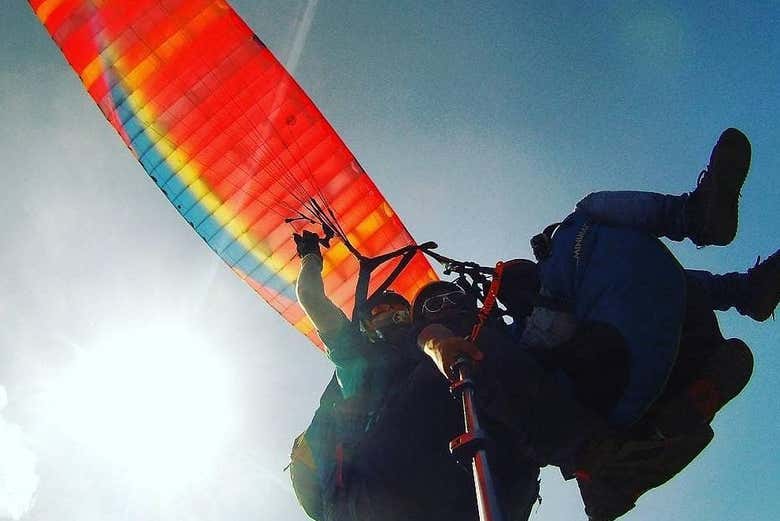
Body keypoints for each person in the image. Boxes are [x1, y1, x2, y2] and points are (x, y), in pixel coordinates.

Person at [414, 128, 778, 520]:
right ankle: (711, 247)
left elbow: (643, 282)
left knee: (644, 270)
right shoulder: (513, 330)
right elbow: (528, 379)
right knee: (599, 225)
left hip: (644, 352)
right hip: (619, 380)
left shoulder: (571, 279)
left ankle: (730, 277)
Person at [289, 231, 541, 521]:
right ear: (368, 326)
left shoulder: (444, 338)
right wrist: (310, 255)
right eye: (379, 310)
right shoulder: (359, 357)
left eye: (398, 308)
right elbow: (311, 298)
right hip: (379, 491)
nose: (390, 312)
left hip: (460, 485)